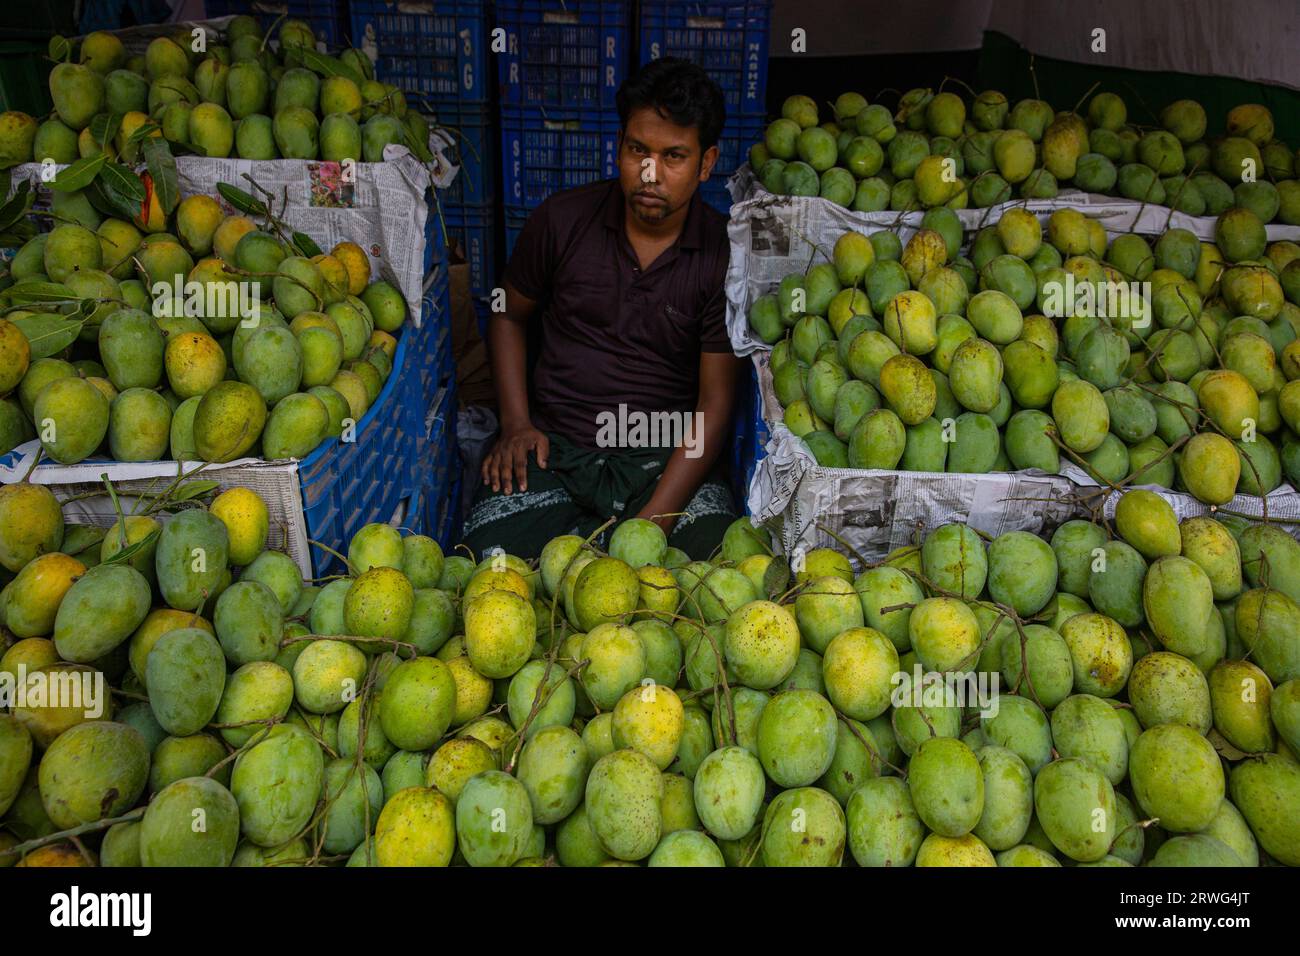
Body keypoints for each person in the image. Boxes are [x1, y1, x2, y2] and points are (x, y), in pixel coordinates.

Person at [462, 57, 741, 561]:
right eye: (638, 150)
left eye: (674, 156)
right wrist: (516, 424)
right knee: (488, 560)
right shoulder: (562, 220)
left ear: (706, 163)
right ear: (619, 147)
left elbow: (715, 403)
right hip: (555, 449)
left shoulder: (721, 255)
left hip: (662, 457)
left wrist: (653, 521)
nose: (650, 173)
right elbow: (506, 313)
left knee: (714, 571)